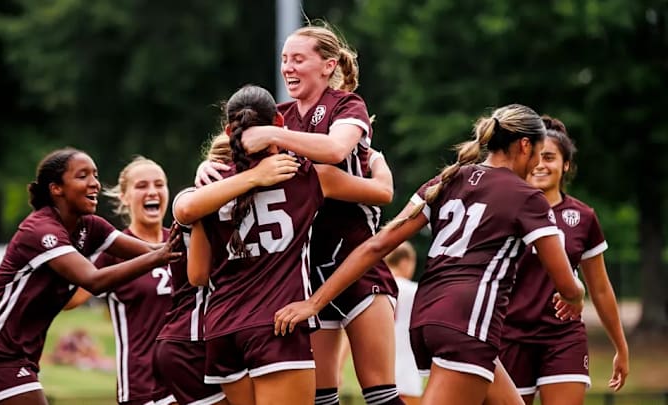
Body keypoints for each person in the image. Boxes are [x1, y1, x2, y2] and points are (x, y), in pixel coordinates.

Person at [274, 104, 587, 405]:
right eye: (538, 153)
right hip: (467, 322)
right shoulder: (528, 197)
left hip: (427, 319)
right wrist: (576, 294)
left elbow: (375, 245)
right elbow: (564, 281)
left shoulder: (448, 180)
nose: (537, 166)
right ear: (523, 145)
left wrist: (315, 301)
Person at [196, 24, 401, 405]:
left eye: (298, 59)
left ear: (328, 66)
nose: (288, 68)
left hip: (356, 261)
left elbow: (336, 150)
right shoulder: (281, 114)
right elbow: (229, 151)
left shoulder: (345, 105)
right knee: (321, 398)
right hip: (302, 273)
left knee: (381, 396)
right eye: (284, 59)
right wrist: (205, 170)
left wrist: (276, 137)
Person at [0, 148, 181, 405]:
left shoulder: (90, 225)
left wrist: (188, 236)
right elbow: (93, 280)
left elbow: (150, 250)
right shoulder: (40, 229)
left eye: (95, 175)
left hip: (21, 357)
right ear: (56, 189)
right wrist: (159, 256)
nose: (94, 183)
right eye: (82, 175)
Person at [498, 115, 629, 405]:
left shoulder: (583, 217)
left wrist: (621, 346)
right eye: (536, 156)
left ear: (566, 165)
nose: (542, 164)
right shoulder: (504, 210)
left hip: (562, 337)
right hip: (509, 335)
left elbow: (601, 288)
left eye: (550, 157)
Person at [153, 133, 289, 405]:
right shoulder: (196, 200)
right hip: (191, 339)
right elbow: (198, 276)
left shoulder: (248, 205)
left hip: (214, 336)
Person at [64, 156, 177, 405]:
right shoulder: (112, 252)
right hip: (142, 385)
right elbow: (69, 301)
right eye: (141, 186)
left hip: (187, 379)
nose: (152, 191)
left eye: (159, 184)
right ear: (124, 197)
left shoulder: (183, 244)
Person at [384, 242, 423, 405]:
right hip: (408, 369)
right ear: (406, 262)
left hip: (379, 372)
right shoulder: (415, 291)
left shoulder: (377, 289)